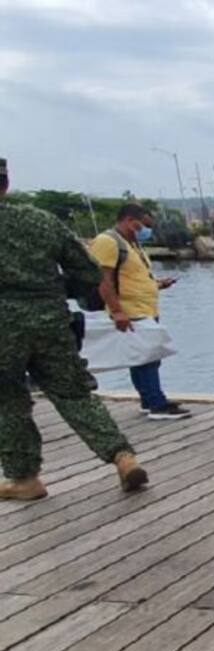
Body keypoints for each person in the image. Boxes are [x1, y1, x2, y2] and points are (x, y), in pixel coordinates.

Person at [0, 157, 147, 500]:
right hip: (50, 320)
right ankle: (122, 457)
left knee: (7, 401)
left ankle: (25, 478)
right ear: (7, 183)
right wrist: (54, 290)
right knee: (75, 393)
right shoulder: (40, 220)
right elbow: (88, 272)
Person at [92, 204, 191, 420]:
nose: (146, 230)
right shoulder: (108, 242)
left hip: (145, 308)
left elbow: (133, 277)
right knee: (147, 357)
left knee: (146, 356)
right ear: (129, 220)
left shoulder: (133, 245)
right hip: (130, 310)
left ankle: (150, 400)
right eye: (143, 225)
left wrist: (156, 284)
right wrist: (117, 311)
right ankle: (156, 404)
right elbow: (104, 279)